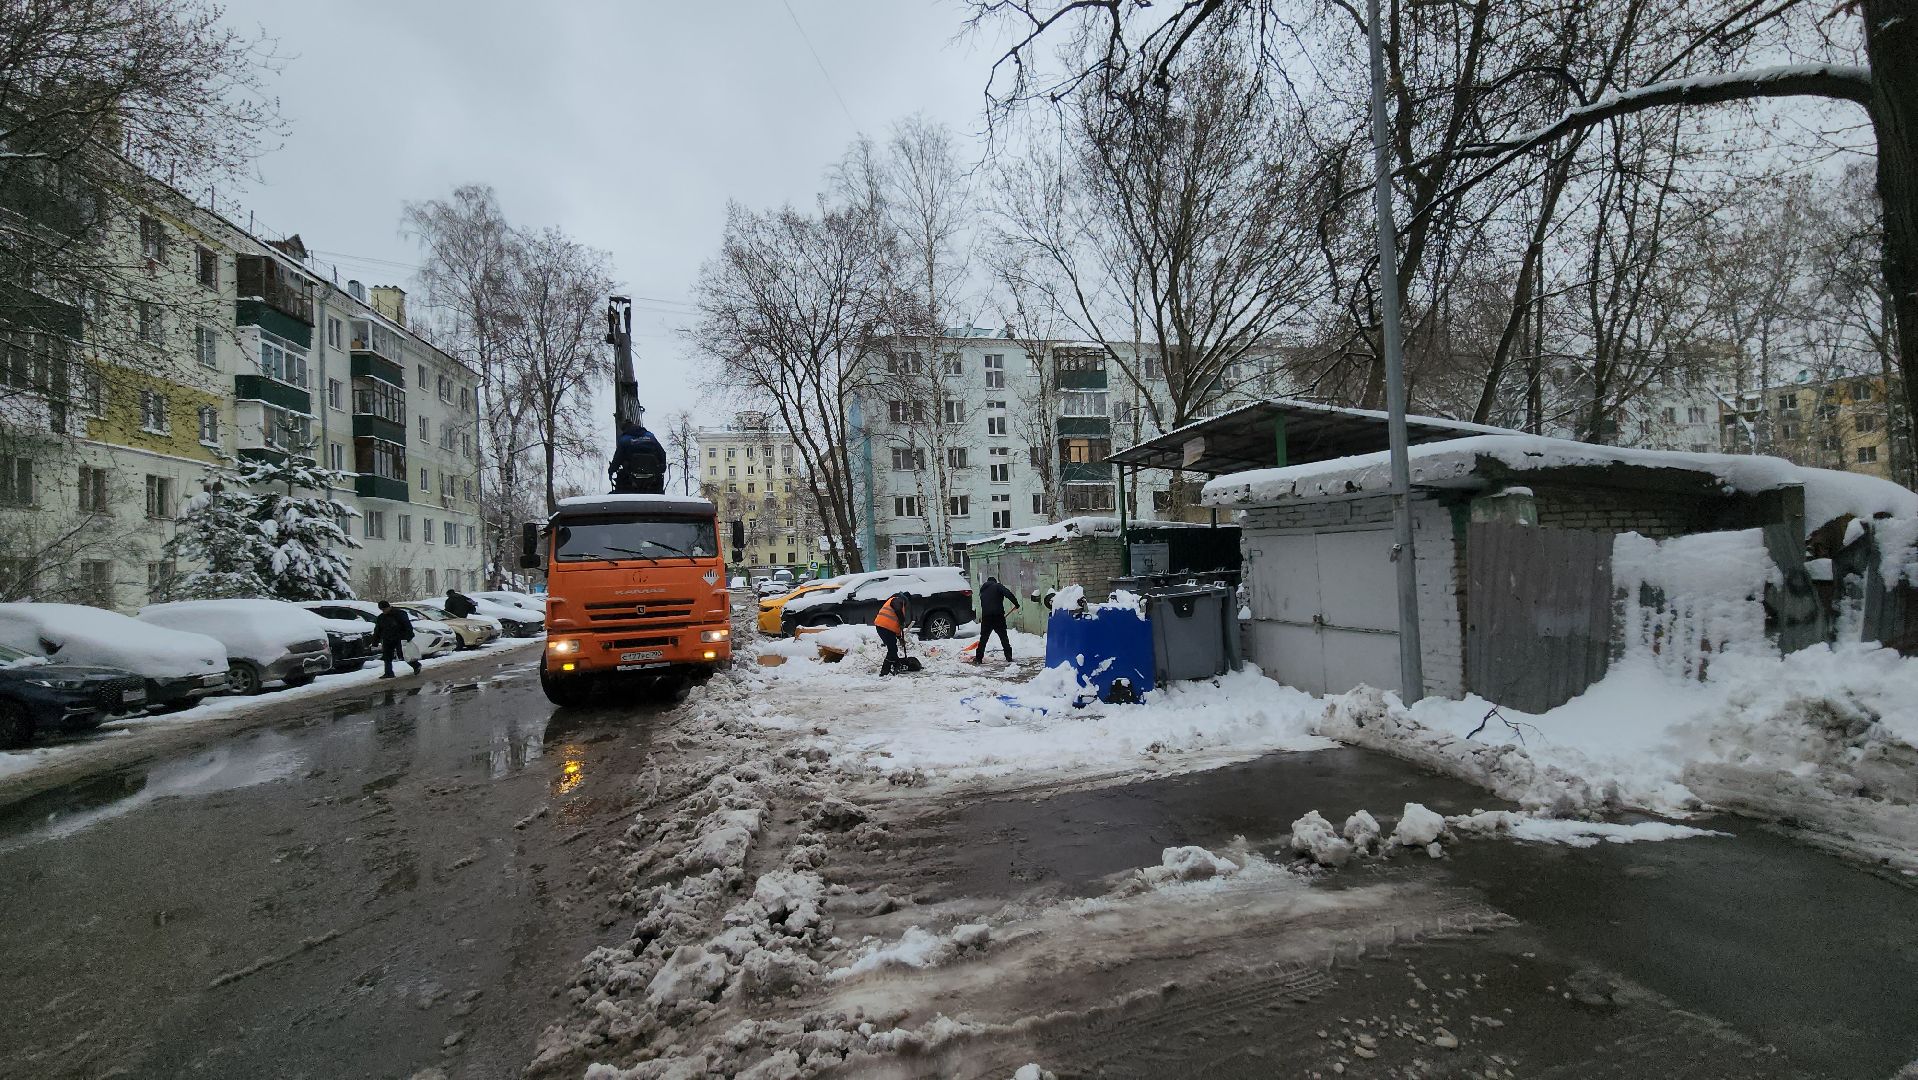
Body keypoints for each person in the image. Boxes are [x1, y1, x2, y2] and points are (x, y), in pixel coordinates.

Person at [608, 418, 667, 495]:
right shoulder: (651, 437)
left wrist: (611, 470)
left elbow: (617, 459)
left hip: (629, 480)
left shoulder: (624, 440)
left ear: (625, 430)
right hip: (653, 480)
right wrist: (662, 467)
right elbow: (662, 453)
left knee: (622, 476)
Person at [972, 575, 1021, 665]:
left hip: (986, 618)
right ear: (994, 581)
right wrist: (1016, 604)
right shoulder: (997, 586)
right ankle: (1009, 657)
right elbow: (1008, 593)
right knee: (1003, 637)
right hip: (998, 616)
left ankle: (978, 658)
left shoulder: (982, 590)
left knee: (983, 639)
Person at [374, 600, 421, 679]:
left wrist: (408, 637)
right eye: (382, 610)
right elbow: (378, 630)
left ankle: (416, 665)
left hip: (400, 638)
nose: (383, 611)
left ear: (389, 607)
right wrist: (375, 641)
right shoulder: (381, 617)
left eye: (384, 609)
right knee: (387, 656)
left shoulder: (399, 614)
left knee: (403, 655)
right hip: (387, 639)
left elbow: (407, 626)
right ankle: (388, 673)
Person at [873, 591, 911, 677]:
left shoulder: (897, 602)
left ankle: (896, 664)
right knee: (892, 649)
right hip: (885, 628)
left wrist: (900, 638)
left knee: (892, 648)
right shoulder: (898, 599)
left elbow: (896, 626)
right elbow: (896, 606)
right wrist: (902, 620)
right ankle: (884, 671)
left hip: (882, 627)